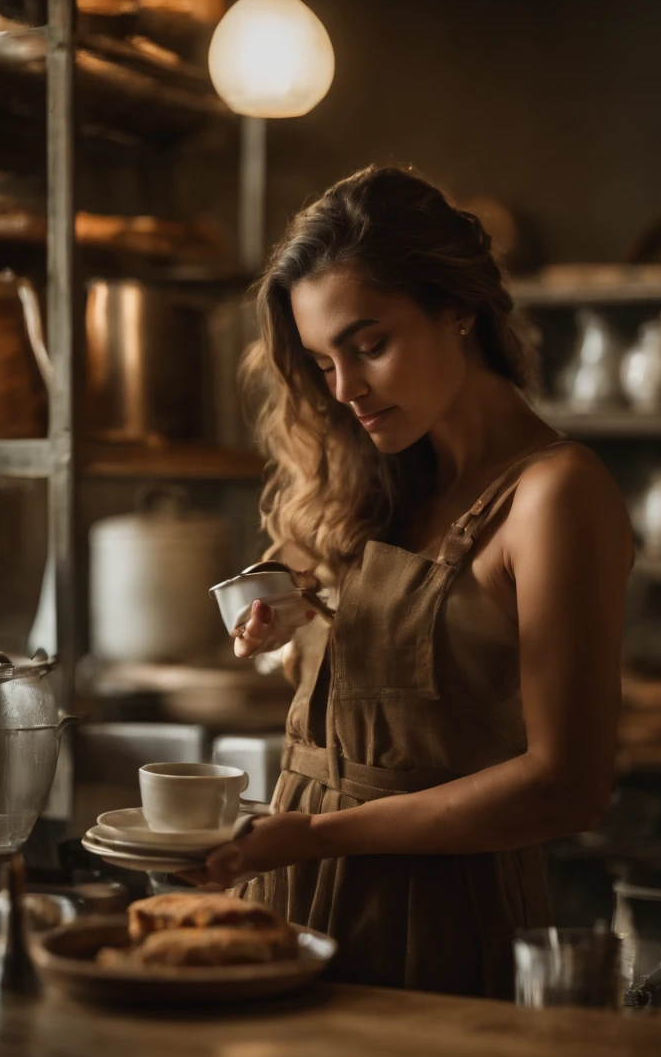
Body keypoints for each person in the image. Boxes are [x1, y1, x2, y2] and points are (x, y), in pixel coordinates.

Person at [198, 164, 633, 998]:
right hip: (284, 904)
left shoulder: (555, 495)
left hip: (435, 926)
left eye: (370, 345)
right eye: (325, 362)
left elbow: (567, 788)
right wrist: (283, 592)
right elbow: (360, 622)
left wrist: (319, 835)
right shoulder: (384, 477)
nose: (347, 390)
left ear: (456, 308)